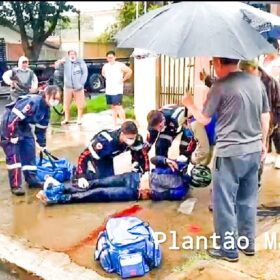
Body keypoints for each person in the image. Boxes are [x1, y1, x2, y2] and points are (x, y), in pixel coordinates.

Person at [183, 57, 270, 262]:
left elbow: (203, 120)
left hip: (229, 153)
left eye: (214, 63)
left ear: (219, 62)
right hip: (254, 150)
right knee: (248, 199)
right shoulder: (256, 81)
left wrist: (189, 104)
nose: (213, 66)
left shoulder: (220, 86)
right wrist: (263, 142)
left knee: (224, 202)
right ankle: (247, 244)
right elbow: (265, 116)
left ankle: (228, 249)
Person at [0, 85, 61, 195]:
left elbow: (41, 128)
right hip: (9, 123)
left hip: (23, 125)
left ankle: (32, 180)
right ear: (47, 95)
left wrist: (42, 144)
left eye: (57, 99)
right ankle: (15, 186)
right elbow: (14, 117)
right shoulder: (33, 102)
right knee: (14, 155)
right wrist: (12, 134)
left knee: (29, 148)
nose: (55, 101)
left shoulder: (46, 110)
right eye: (54, 98)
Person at [75, 120, 150, 189]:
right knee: (104, 181)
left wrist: (145, 171)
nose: (132, 141)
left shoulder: (136, 139)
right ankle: (82, 174)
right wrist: (81, 176)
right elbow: (84, 156)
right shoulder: (104, 141)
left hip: (110, 155)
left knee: (111, 181)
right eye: (130, 138)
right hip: (100, 157)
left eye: (133, 138)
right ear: (122, 134)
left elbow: (142, 154)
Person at [239, 58, 280, 180]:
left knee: (259, 152)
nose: (243, 73)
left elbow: (277, 104)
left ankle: (256, 182)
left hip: (264, 123)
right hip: (246, 121)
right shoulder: (245, 80)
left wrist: (275, 122)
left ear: (253, 68)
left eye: (245, 71)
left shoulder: (270, 82)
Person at [55, 50, 88, 125]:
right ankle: (66, 119)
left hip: (78, 87)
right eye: (70, 54)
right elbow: (56, 67)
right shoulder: (65, 62)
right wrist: (60, 62)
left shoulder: (80, 62)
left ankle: (79, 119)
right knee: (66, 104)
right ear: (68, 55)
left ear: (76, 55)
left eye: (73, 54)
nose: (72, 55)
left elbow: (85, 73)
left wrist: (81, 83)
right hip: (68, 87)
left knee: (80, 104)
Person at [261, 38, 280, 168]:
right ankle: (267, 153)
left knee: (278, 128)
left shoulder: (278, 62)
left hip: (277, 98)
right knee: (266, 126)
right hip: (264, 97)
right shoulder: (262, 61)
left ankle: (279, 155)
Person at [102, 50, 132, 126]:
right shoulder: (105, 66)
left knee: (118, 106)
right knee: (112, 106)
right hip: (109, 90)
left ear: (115, 57)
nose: (110, 59)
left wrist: (123, 79)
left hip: (117, 89)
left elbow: (129, 71)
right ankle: (114, 123)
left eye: (112, 57)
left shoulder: (120, 65)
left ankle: (124, 123)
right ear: (106, 58)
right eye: (109, 58)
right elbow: (103, 73)